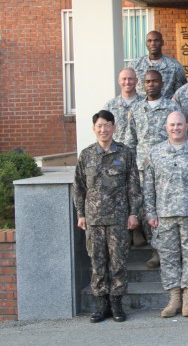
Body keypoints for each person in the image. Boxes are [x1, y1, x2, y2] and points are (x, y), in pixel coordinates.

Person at [143, 111, 188, 318]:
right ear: (166, 127)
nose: (176, 128)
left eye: (179, 124)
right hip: (164, 215)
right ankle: (174, 297)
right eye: (172, 125)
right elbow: (149, 187)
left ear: (187, 126)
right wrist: (150, 213)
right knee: (168, 257)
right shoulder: (155, 153)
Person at [73, 110, 142, 323]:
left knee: (118, 263)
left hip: (119, 219)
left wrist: (133, 213)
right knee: (98, 262)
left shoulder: (125, 153)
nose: (103, 130)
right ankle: (101, 305)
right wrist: (81, 214)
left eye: (107, 125)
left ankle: (116, 304)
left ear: (114, 127)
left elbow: (134, 185)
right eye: (99, 126)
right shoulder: (86, 155)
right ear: (94, 129)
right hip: (94, 220)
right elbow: (79, 187)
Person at [130, 70, 186, 269]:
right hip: (143, 167)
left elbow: (180, 134)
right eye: (147, 81)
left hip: (169, 166)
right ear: (142, 85)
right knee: (150, 210)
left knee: (171, 210)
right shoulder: (136, 109)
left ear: (162, 84)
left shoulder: (172, 106)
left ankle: (176, 251)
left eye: (154, 81)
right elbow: (131, 140)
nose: (150, 84)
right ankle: (157, 252)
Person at [103, 67, 146, 247]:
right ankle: (126, 231)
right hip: (117, 156)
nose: (127, 82)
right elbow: (103, 130)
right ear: (119, 81)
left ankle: (138, 228)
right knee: (120, 192)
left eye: (130, 79)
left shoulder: (144, 104)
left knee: (138, 191)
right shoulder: (110, 106)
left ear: (136, 81)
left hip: (139, 155)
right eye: (124, 79)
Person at [129, 30, 187, 99]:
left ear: (162, 42)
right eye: (149, 41)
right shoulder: (135, 65)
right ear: (146, 44)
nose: (153, 43)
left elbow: (181, 91)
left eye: (156, 40)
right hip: (141, 107)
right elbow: (129, 88)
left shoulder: (175, 66)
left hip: (167, 107)